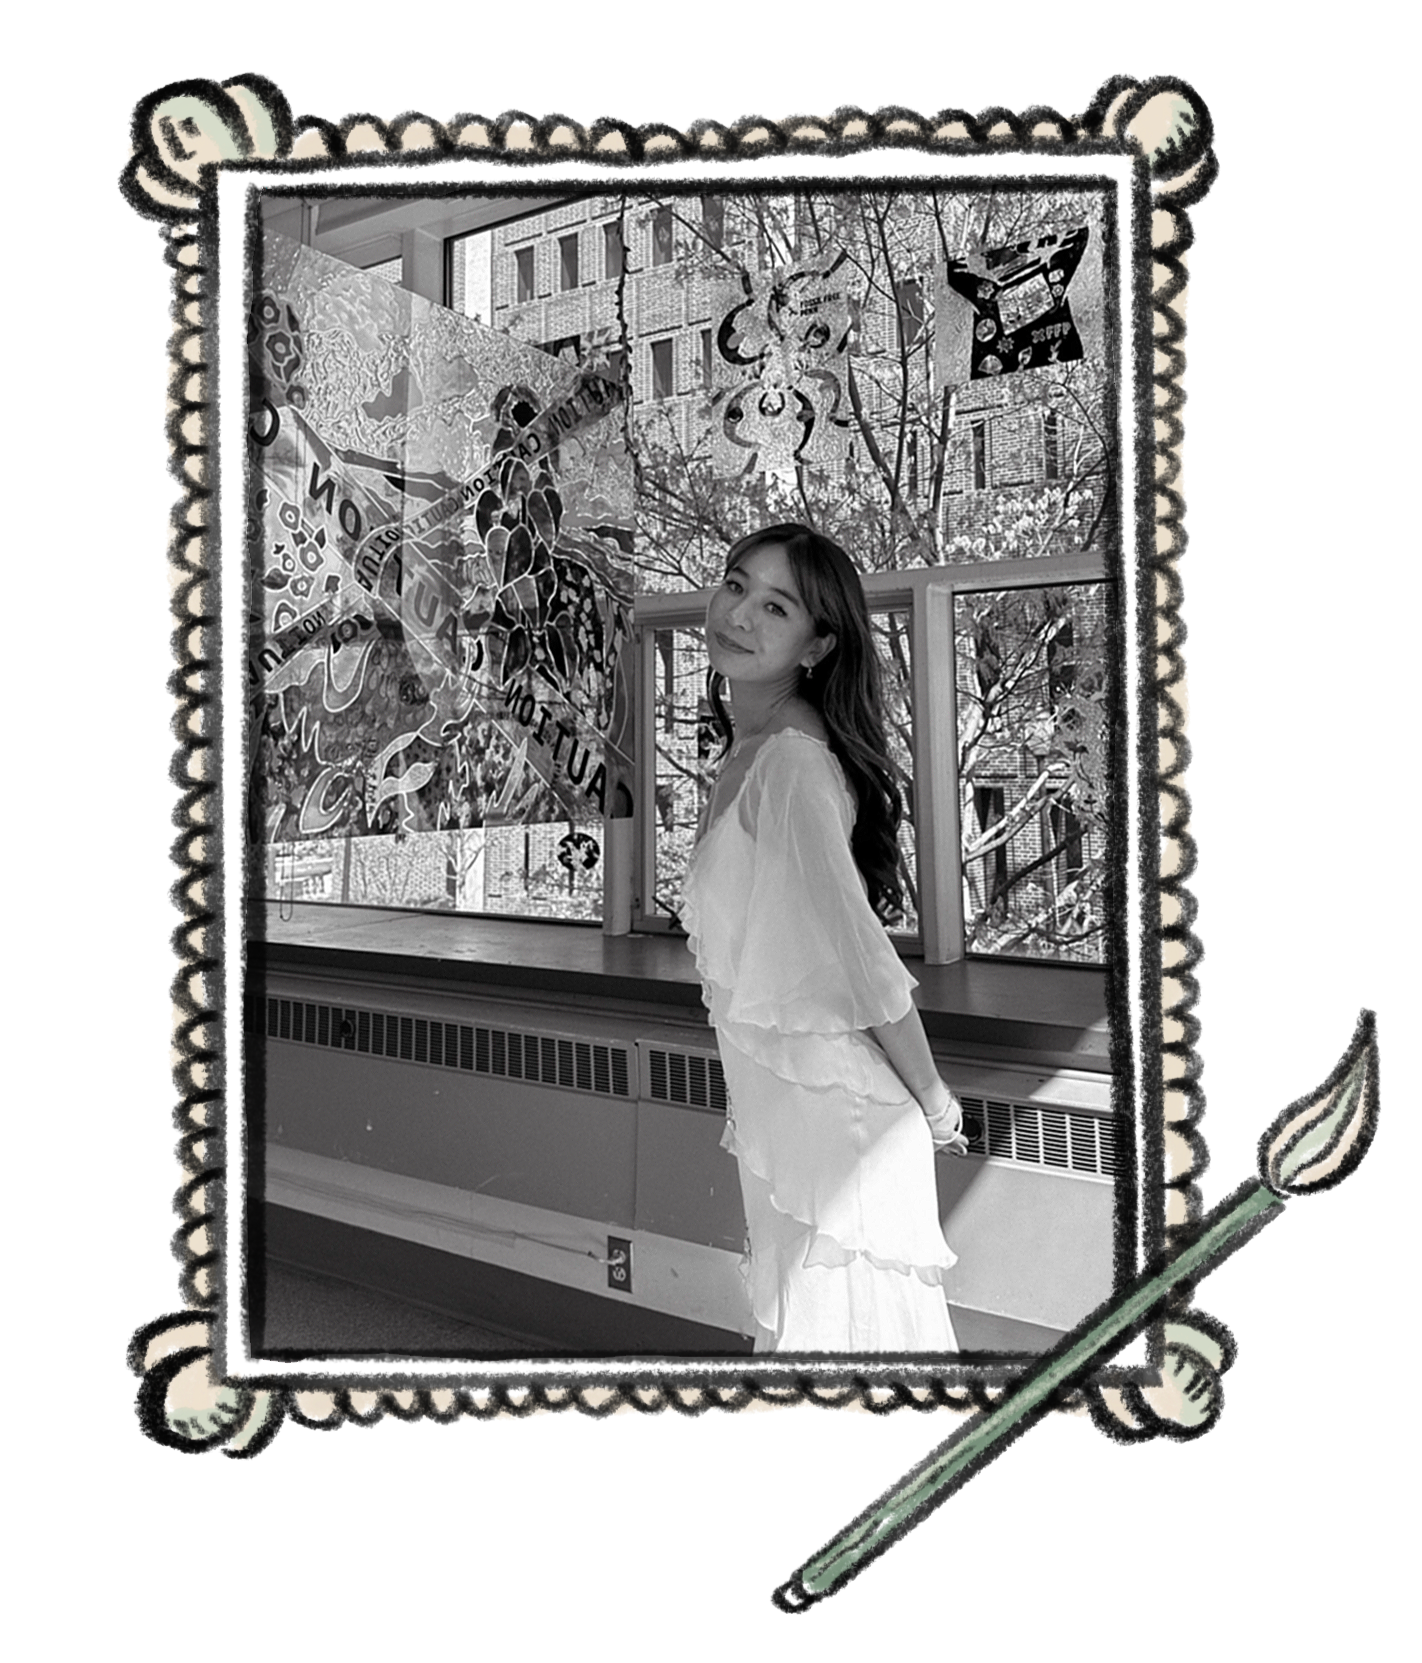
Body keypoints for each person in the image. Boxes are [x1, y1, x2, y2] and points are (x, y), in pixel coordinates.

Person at [680, 523, 969, 1357]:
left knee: (843, 1368)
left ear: (818, 644)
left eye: (777, 606)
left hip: (839, 1119)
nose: (739, 614)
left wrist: (936, 1102)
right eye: (735, 585)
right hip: (788, 1104)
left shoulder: (794, 764)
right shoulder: (756, 744)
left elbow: (857, 953)